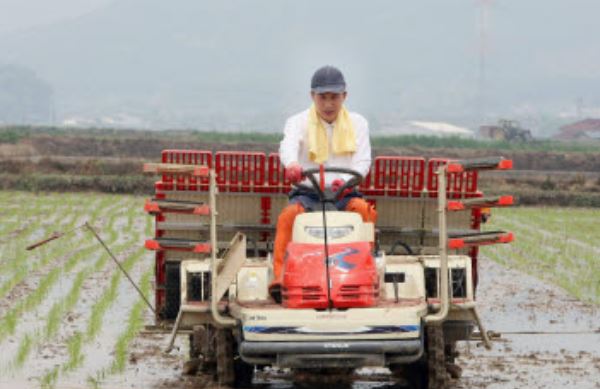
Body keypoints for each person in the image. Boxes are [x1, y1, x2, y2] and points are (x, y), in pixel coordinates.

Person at [271, 65, 377, 290]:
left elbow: (363, 161)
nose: (328, 104)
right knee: (288, 217)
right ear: (312, 96)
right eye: (323, 97)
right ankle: (280, 278)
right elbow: (287, 146)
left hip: (344, 194)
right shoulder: (297, 122)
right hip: (308, 194)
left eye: (334, 97)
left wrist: (350, 180)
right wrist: (291, 164)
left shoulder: (358, 124)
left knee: (364, 212)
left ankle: (365, 275)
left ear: (344, 96)